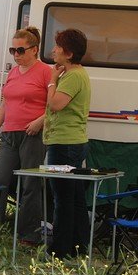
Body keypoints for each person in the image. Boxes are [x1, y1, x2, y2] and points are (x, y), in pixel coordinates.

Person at [0, 26, 50, 245]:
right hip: (10, 133)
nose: (16, 55)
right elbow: (5, 102)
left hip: (32, 134)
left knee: (30, 183)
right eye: (13, 50)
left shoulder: (46, 72)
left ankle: (28, 232)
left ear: (34, 49)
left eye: (20, 50)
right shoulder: (13, 72)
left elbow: (54, 105)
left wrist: (40, 121)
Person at [43, 28, 91, 259]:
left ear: (69, 54)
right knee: (75, 197)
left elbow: (56, 105)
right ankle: (79, 246)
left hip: (64, 144)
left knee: (62, 197)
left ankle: (59, 250)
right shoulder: (78, 74)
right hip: (73, 142)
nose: (53, 51)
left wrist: (52, 81)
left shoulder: (72, 76)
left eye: (58, 47)